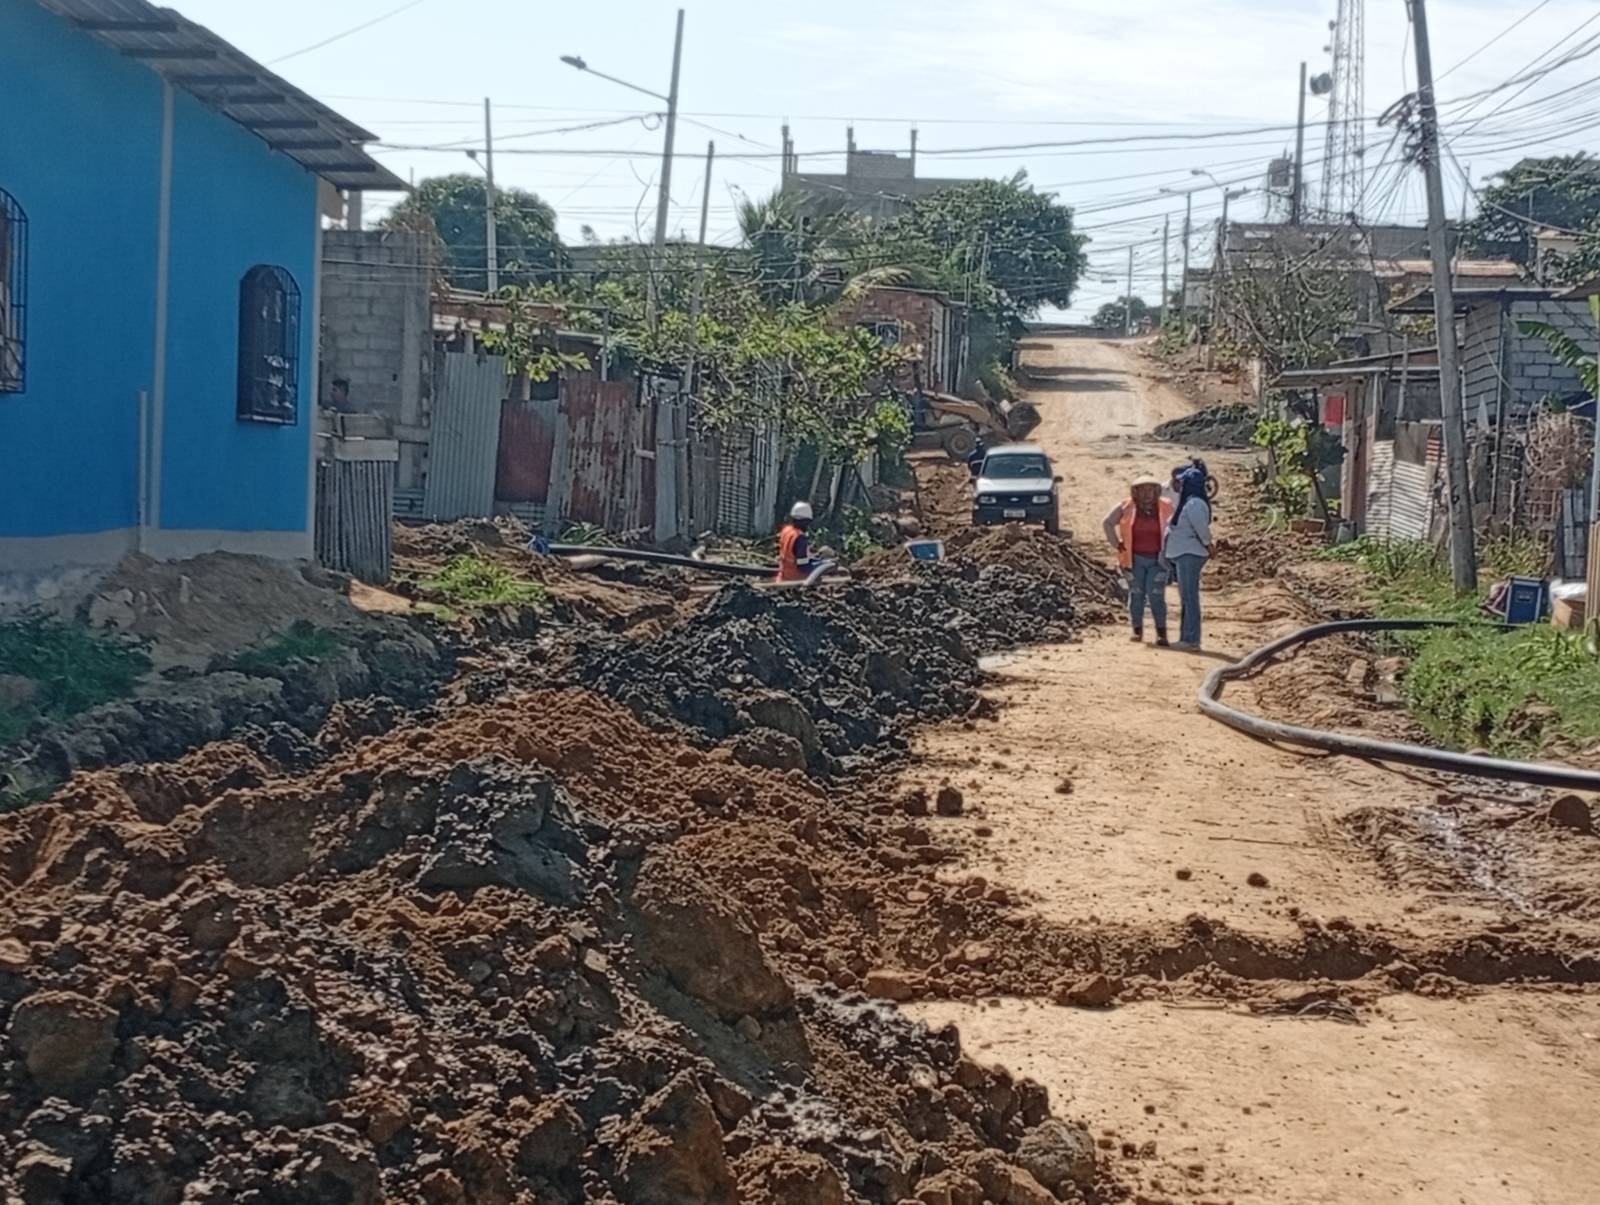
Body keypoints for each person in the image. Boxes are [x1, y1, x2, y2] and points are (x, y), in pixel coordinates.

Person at [1102, 475, 1174, 646]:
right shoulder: (1126, 506)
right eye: (1143, 490)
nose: (1147, 494)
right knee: (1136, 594)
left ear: (1156, 491)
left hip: (1159, 560)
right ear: (1136, 492)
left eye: (1150, 489)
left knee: (1156, 594)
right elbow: (1107, 523)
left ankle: (1161, 633)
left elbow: (1178, 526)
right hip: (1133, 560)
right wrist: (1116, 543)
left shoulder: (1167, 506)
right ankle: (1137, 629)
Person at [1164, 467, 1216, 650]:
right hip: (1183, 553)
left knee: (1190, 598)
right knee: (1186, 597)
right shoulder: (1190, 502)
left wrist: (1209, 545)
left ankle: (1191, 640)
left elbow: (1201, 529)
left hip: (1189, 554)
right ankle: (1186, 637)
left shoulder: (1194, 504)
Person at [776, 501, 816, 582]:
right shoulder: (800, 538)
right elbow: (803, 566)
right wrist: (819, 566)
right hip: (795, 579)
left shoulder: (786, 530)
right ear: (805, 521)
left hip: (783, 576)